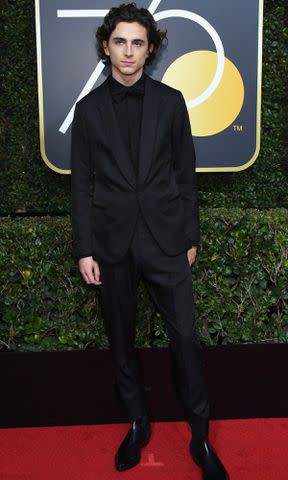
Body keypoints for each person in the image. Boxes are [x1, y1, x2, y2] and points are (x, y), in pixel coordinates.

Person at [71, 3, 229, 478]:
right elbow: (81, 183)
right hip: (110, 244)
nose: (128, 51)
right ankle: (137, 424)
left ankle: (200, 438)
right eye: (120, 41)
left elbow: (185, 174)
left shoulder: (171, 101)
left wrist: (190, 235)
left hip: (165, 240)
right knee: (122, 342)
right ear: (105, 46)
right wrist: (84, 247)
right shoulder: (88, 110)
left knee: (185, 340)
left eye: (138, 42)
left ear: (151, 49)